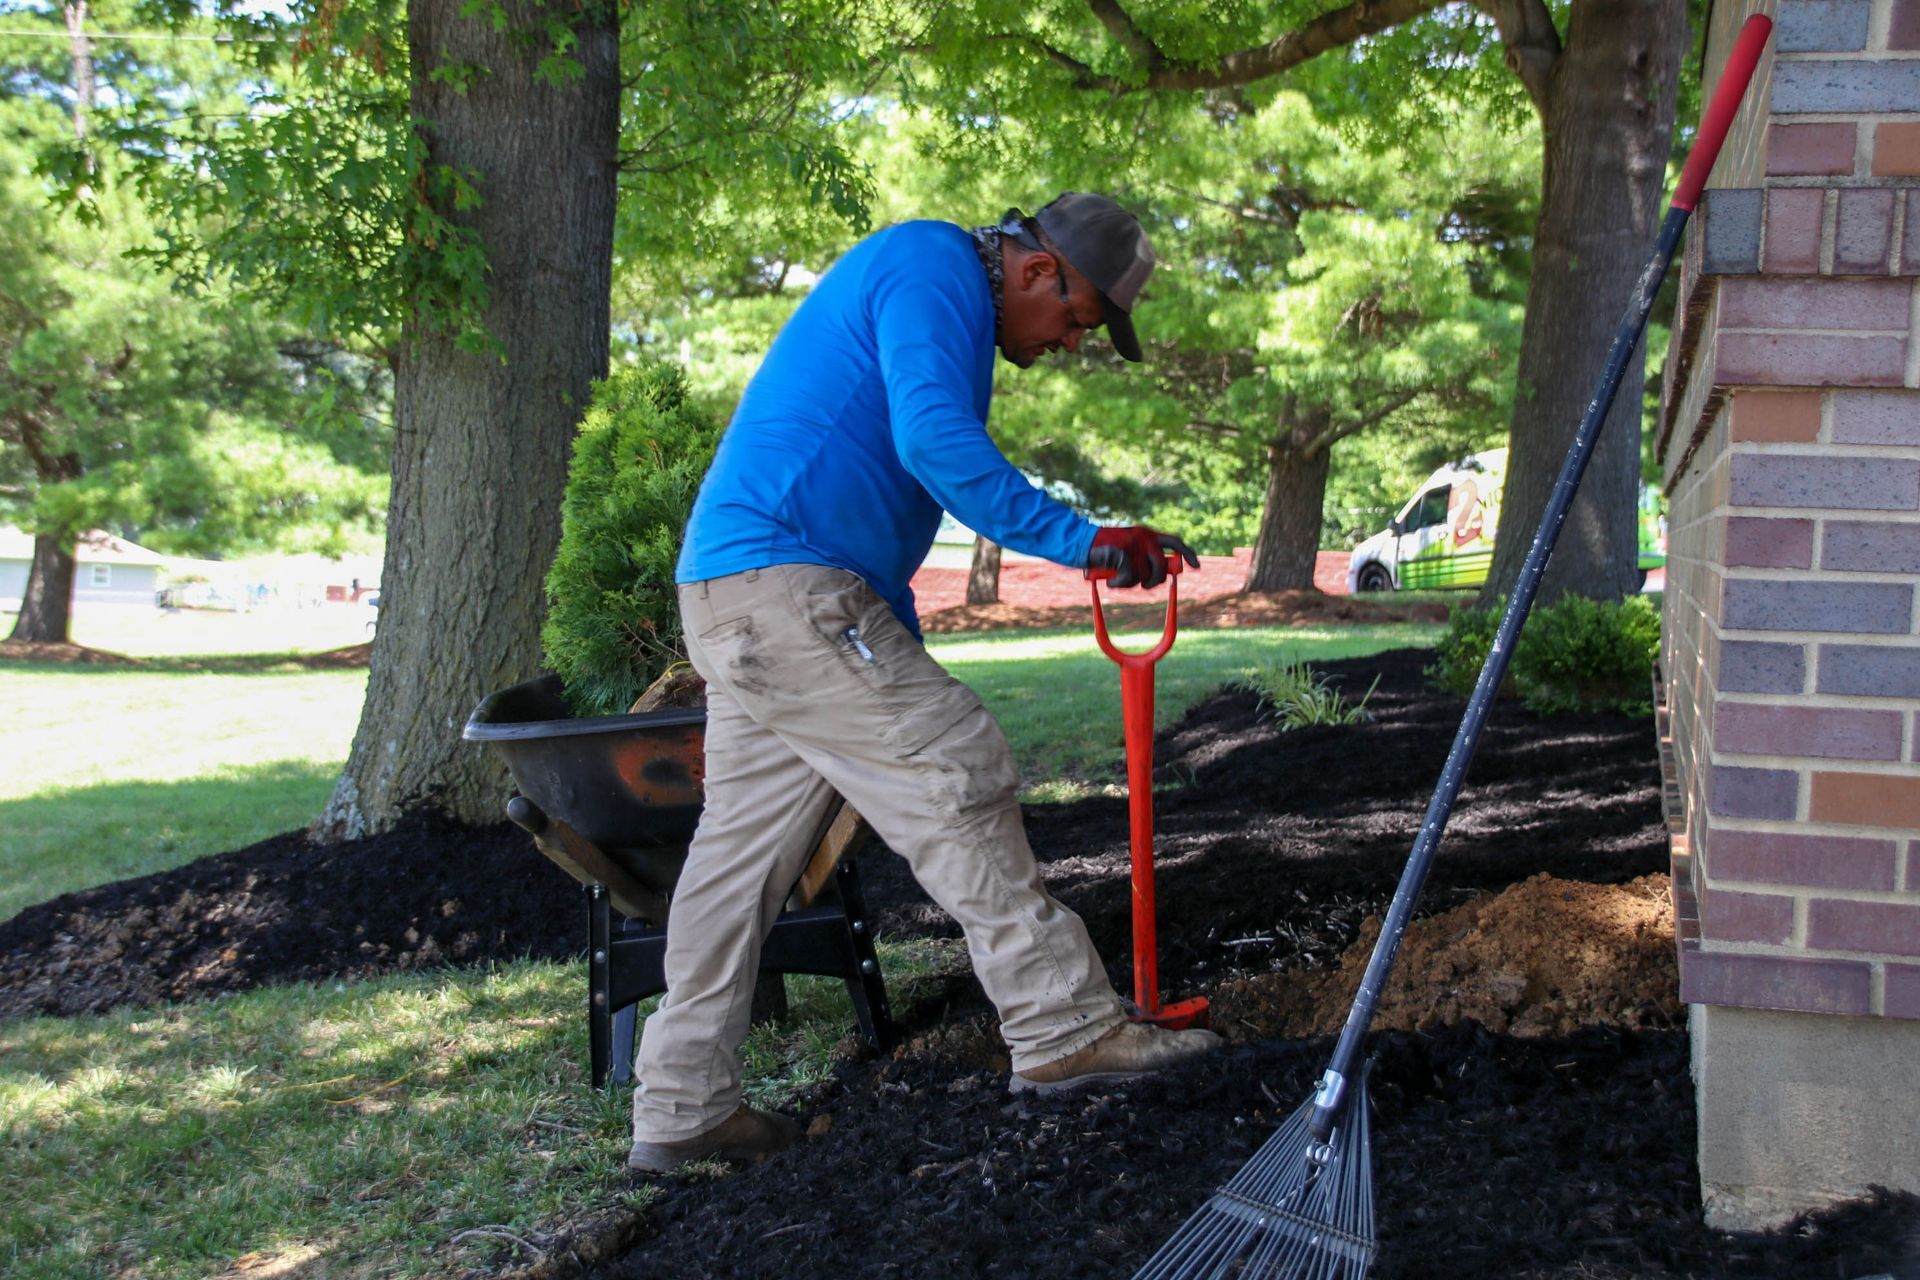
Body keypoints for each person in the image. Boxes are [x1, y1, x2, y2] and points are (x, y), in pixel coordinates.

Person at [627, 193, 1222, 1174]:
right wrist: (1089, 543)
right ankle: (1066, 1025)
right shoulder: (931, 266)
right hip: (786, 585)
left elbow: (879, 485)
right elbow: (936, 446)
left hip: (737, 592)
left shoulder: (924, 282)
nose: (1073, 343)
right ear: (1039, 271)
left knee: (733, 869)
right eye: (1078, 320)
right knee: (956, 761)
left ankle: (682, 1103)